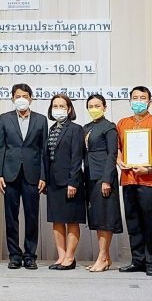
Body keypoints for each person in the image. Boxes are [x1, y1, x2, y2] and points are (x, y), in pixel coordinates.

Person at [116, 86, 152, 276]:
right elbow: (116, 148)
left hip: (151, 180)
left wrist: (149, 167)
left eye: (142, 98)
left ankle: (151, 261)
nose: (138, 101)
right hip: (129, 179)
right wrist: (119, 161)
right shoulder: (122, 123)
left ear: (149, 102)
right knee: (133, 222)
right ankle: (137, 260)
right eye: (135, 98)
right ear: (130, 101)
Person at [0, 83, 48, 270]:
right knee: (11, 217)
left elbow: (43, 151)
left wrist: (43, 175)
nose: (21, 99)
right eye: (18, 96)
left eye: (25, 96)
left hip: (33, 174)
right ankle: (14, 255)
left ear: (31, 98)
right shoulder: (4, 118)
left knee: (32, 216)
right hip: (10, 173)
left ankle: (30, 255)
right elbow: (0, 147)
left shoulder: (41, 120)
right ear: (12, 98)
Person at [44, 94, 86, 270]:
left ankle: (70, 257)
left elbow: (77, 157)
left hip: (70, 182)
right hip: (53, 182)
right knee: (57, 221)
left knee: (72, 220)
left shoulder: (76, 129)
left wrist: (73, 182)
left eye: (62, 106)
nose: (58, 109)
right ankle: (61, 256)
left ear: (69, 109)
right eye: (55, 106)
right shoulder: (52, 129)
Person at [83, 94, 122, 273]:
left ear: (105, 107)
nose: (94, 109)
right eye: (90, 106)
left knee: (105, 217)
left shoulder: (110, 127)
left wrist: (107, 179)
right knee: (97, 218)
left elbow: (112, 154)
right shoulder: (86, 128)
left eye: (97, 105)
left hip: (104, 177)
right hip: (90, 176)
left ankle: (102, 257)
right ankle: (105, 257)